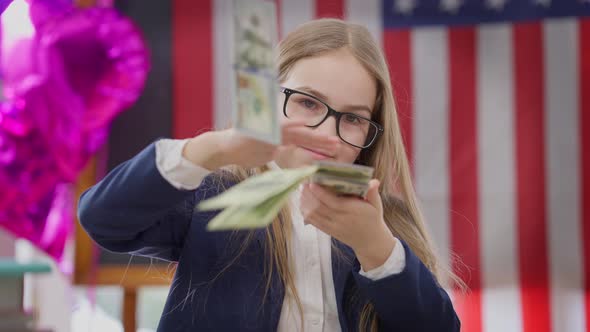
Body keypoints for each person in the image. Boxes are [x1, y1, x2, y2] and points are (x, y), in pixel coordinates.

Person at [78, 18, 461, 332]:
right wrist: (213, 148)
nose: (326, 134)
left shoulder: (383, 221)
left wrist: (375, 247)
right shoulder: (213, 195)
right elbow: (102, 220)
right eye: (307, 102)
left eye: (353, 119)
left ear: (372, 131)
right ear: (267, 97)